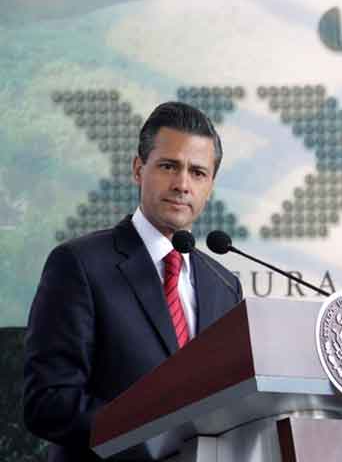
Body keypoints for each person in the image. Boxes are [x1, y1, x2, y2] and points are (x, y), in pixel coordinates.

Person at [24, 102, 243, 462]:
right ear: (138, 169)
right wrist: (157, 435)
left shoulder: (224, 286)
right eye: (169, 166)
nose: (182, 184)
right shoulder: (79, 264)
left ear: (210, 187)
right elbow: (49, 402)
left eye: (198, 172)